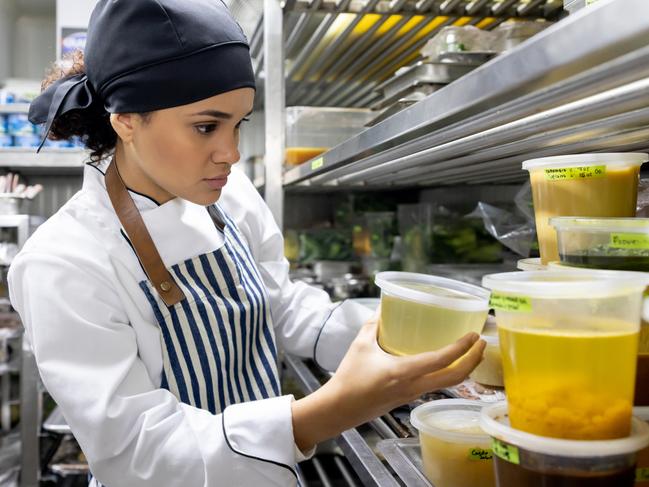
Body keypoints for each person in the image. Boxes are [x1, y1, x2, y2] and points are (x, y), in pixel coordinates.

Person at [8, 1, 486, 485]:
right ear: (126, 120)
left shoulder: (227, 193)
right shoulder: (63, 262)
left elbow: (281, 304)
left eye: (240, 125)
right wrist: (333, 409)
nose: (231, 153)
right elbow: (138, 452)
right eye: (206, 126)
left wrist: (402, 337)